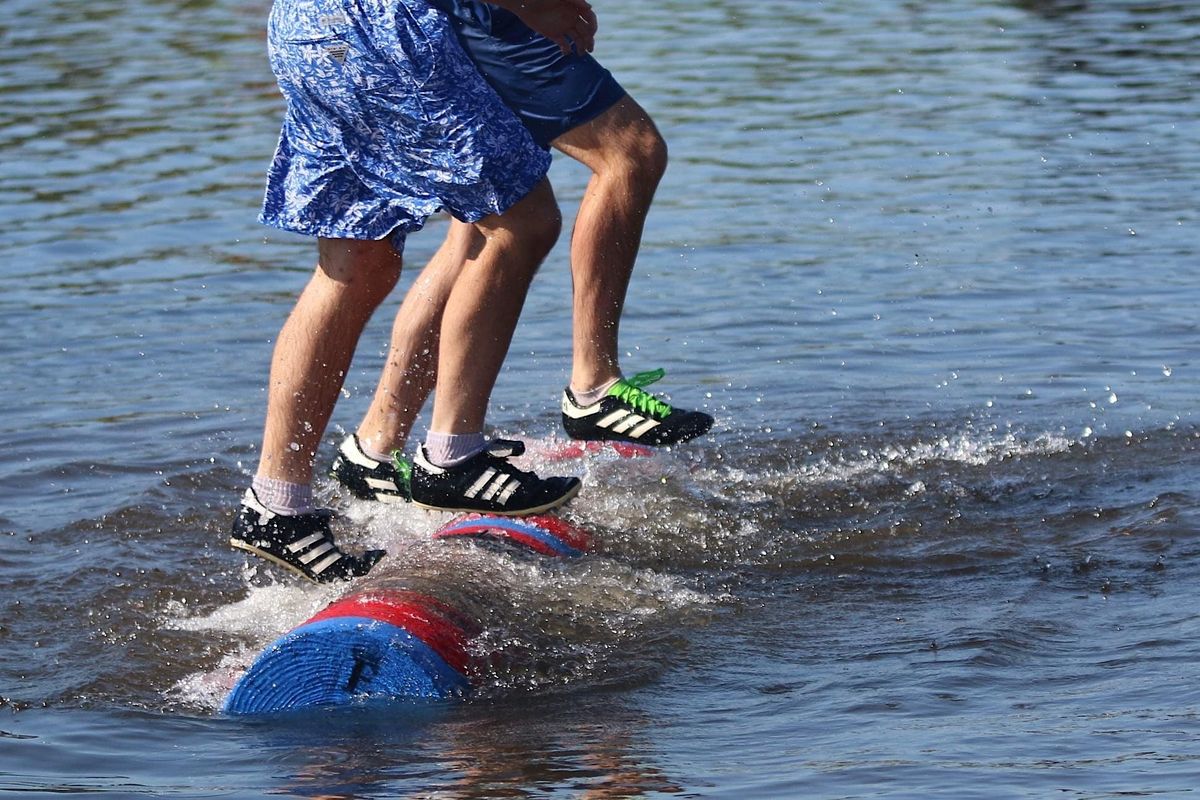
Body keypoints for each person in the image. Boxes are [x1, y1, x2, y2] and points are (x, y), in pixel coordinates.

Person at [229, 0, 602, 583]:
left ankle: (276, 505)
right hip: (384, 30)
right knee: (521, 222)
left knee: (356, 264)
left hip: (306, 28)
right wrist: (537, 7)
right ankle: (453, 454)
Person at [326, 0, 715, 505]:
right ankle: (593, 386)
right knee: (629, 153)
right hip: (491, 16)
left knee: (479, 228)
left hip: (427, 21)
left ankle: (377, 444)